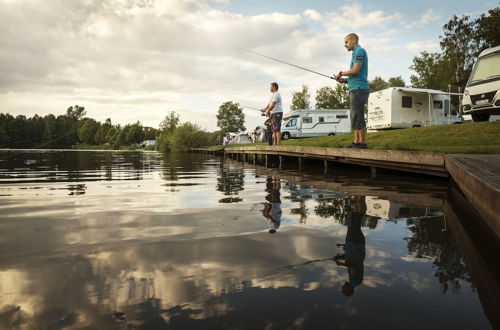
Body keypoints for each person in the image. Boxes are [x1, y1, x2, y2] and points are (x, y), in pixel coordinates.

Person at [335, 33, 369, 149]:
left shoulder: (359, 51)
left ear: (353, 40)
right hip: (355, 87)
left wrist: (341, 73)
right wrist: (344, 81)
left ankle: (362, 143)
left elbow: (355, 70)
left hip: (359, 89)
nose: (345, 45)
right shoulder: (356, 53)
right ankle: (356, 142)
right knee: (355, 116)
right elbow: (354, 75)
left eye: (346, 42)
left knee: (358, 116)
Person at [333, 195, 366, 296]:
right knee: (356, 220)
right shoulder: (356, 281)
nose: (342, 286)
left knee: (353, 218)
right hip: (356, 243)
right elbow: (354, 267)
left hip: (352, 243)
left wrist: (341, 256)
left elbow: (351, 261)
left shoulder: (352, 281)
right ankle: (360, 199)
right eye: (344, 289)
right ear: (348, 290)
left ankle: (356, 200)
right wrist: (341, 264)